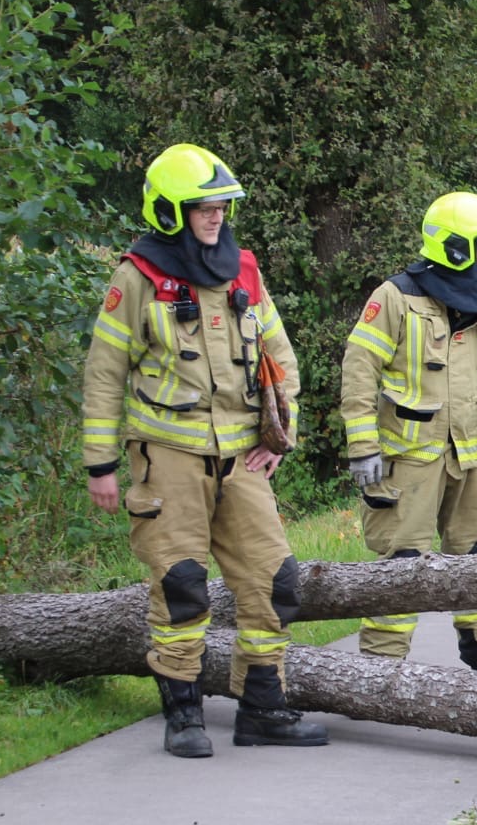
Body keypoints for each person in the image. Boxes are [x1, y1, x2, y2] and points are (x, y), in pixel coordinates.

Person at [82, 143, 326, 756]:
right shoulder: (136, 277)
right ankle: (183, 713)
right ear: (169, 211)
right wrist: (100, 466)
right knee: (183, 583)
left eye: (221, 205)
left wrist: (280, 436)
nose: (215, 216)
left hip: (242, 456)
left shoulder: (243, 269)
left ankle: (263, 709)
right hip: (167, 455)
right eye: (202, 207)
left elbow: (281, 359)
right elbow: (104, 375)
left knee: (275, 580)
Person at [342, 191, 477, 675]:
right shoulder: (396, 297)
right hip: (409, 460)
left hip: (475, 460)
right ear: (456, 247)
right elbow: (359, 370)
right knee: (402, 568)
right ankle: (379, 674)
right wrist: (362, 448)